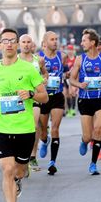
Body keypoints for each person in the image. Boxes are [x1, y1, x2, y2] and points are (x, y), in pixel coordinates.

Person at [0, 29, 48, 202]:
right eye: (5, 41)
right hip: (1, 127)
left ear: (17, 45)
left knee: (19, 170)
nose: (9, 44)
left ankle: (19, 179)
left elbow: (44, 96)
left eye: (13, 41)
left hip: (25, 128)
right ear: (0, 45)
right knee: (7, 170)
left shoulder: (29, 69)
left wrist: (30, 93)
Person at [69, 29, 101, 175]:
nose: (81, 43)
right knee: (88, 136)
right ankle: (84, 141)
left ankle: (93, 163)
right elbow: (71, 79)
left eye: (84, 40)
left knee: (98, 130)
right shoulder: (80, 59)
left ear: (92, 42)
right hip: (85, 100)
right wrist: (79, 85)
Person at [38, 31, 67, 175]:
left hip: (57, 95)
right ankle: (44, 140)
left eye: (56, 39)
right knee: (43, 129)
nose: (55, 42)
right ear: (45, 42)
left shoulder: (63, 56)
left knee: (55, 128)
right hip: (43, 97)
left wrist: (65, 76)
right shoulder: (38, 58)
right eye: (52, 39)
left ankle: (52, 162)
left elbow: (65, 71)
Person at [18, 34, 48, 173]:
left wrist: (44, 80)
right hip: (18, 99)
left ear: (32, 44)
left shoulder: (38, 60)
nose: (25, 44)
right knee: (19, 128)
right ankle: (21, 156)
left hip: (34, 97)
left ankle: (32, 156)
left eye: (28, 42)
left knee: (34, 126)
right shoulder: (15, 60)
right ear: (19, 44)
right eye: (23, 42)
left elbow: (45, 74)